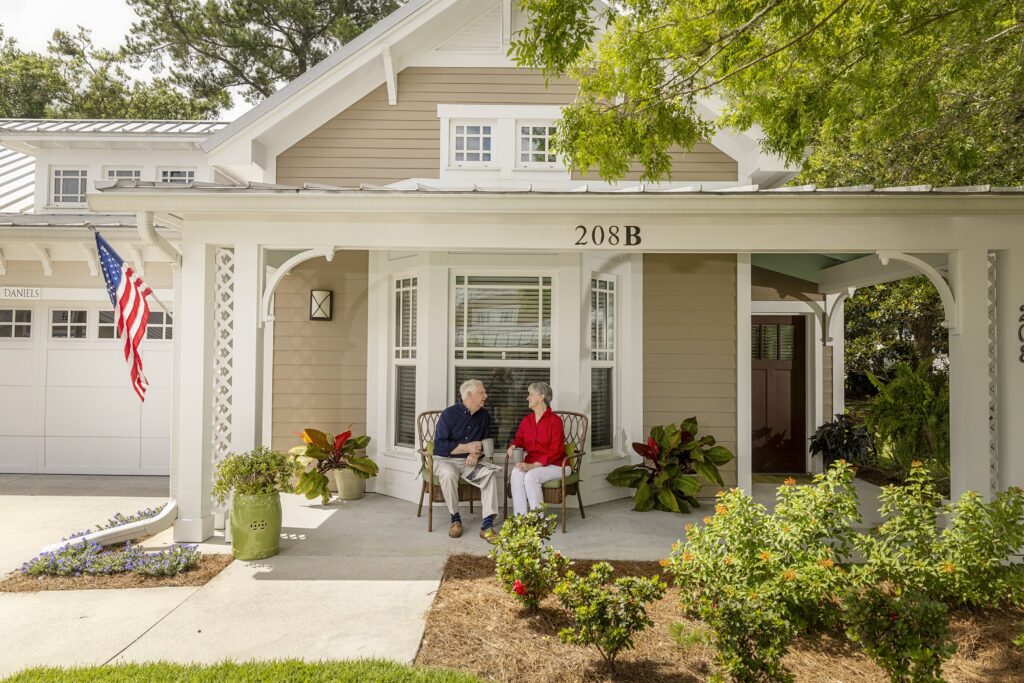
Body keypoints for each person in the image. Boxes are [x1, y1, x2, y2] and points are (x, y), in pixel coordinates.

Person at [433, 379, 499, 541]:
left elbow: (487, 441)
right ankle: (455, 519)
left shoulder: (483, 415)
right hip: (446, 461)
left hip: (471, 463)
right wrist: (467, 448)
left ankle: (487, 525)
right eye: (482, 393)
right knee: (448, 473)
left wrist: (476, 454)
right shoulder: (449, 414)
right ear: (469, 395)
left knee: (490, 474)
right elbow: (439, 446)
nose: (486, 396)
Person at [506, 382, 567, 517]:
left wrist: (534, 465)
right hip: (533, 463)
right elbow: (519, 439)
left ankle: (537, 521)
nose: (527, 398)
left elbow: (556, 450)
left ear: (541, 397)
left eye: (531, 394)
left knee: (531, 476)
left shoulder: (555, 421)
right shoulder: (527, 420)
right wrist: (513, 446)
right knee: (516, 473)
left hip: (557, 464)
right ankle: (520, 518)